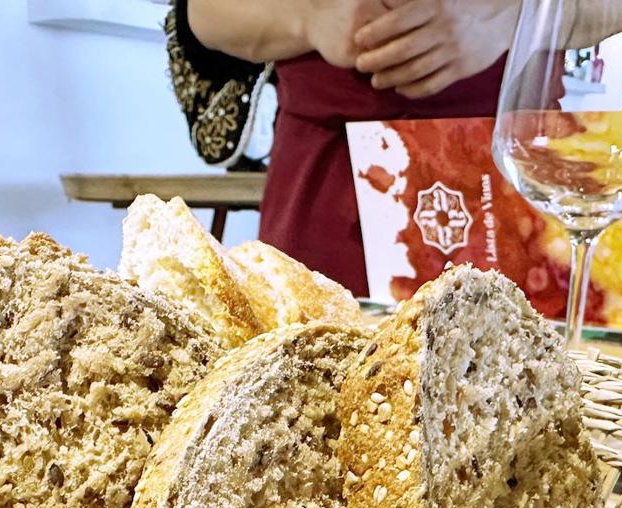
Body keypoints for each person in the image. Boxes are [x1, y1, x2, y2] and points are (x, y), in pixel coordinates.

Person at [170, 0, 523, 297]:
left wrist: (510, 15)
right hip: (325, 174)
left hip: (510, 173)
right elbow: (202, 11)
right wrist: (309, 15)